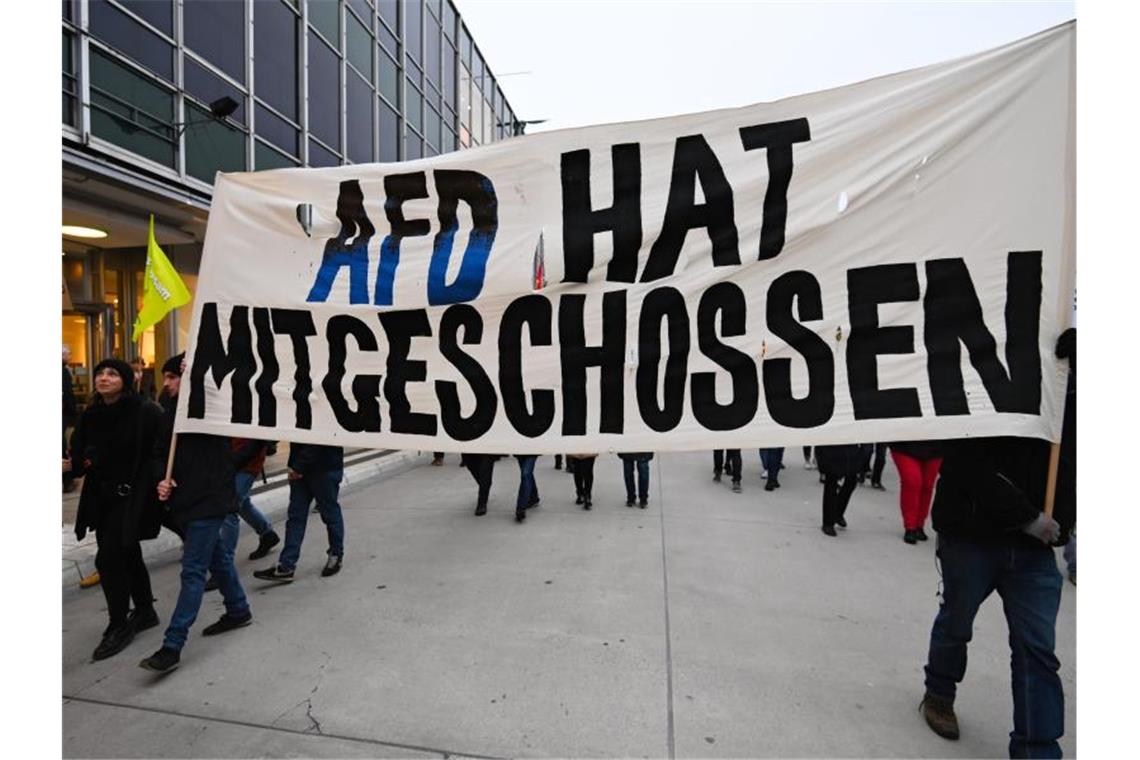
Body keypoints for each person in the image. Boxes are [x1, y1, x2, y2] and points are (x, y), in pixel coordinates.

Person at [918, 329, 1076, 757]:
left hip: (1035, 549)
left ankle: (1037, 748)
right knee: (956, 622)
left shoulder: (1070, 384)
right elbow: (966, 460)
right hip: (973, 536)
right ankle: (939, 692)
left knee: (1036, 650)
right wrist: (1026, 517)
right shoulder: (983, 373)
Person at [139, 354, 253, 674]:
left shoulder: (211, 406)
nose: (168, 383)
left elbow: (237, 408)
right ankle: (238, 609)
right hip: (184, 500)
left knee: (192, 571)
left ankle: (172, 645)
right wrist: (163, 477)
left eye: (174, 377)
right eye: (166, 378)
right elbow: (160, 452)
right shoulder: (170, 413)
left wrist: (201, 379)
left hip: (210, 497)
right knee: (218, 558)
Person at [67, 358, 165, 661]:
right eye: (99, 373)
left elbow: (159, 450)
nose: (103, 378)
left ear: (125, 379)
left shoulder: (145, 411)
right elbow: (81, 458)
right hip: (102, 498)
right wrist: (72, 466)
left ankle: (118, 624)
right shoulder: (90, 415)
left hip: (135, 497)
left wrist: (161, 482)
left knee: (108, 557)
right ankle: (146, 610)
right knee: (127, 551)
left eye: (112, 374)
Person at [253, 442, 346, 581]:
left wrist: (298, 466)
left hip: (323, 467)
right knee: (296, 517)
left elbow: (318, 439)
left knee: (329, 514)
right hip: (303, 467)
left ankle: (336, 554)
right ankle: (286, 565)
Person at [230, 437, 281, 560]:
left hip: (247, 462)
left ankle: (223, 563)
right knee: (242, 504)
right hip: (237, 459)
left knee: (230, 508)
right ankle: (267, 534)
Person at [888, 440, 944, 544]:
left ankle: (919, 525)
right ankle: (910, 526)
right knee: (912, 482)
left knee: (927, 486)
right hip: (904, 445)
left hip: (935, 447)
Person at [814, 443, 867, 536]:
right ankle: (828, 523)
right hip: (831, 447)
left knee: (851, 482)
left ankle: (837, 512)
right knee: (831, 482)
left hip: (850, 446)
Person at [63, 346, 78, 493]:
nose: (70, 356)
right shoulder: (63, 371)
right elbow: (67, 392)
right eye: (68, 354)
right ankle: (67, 479)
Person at [513, 454, 541, 522]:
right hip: (519, 449)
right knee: (527, 474)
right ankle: (533, 498)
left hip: (532, 449)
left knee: (526, 474)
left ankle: (521, 508)